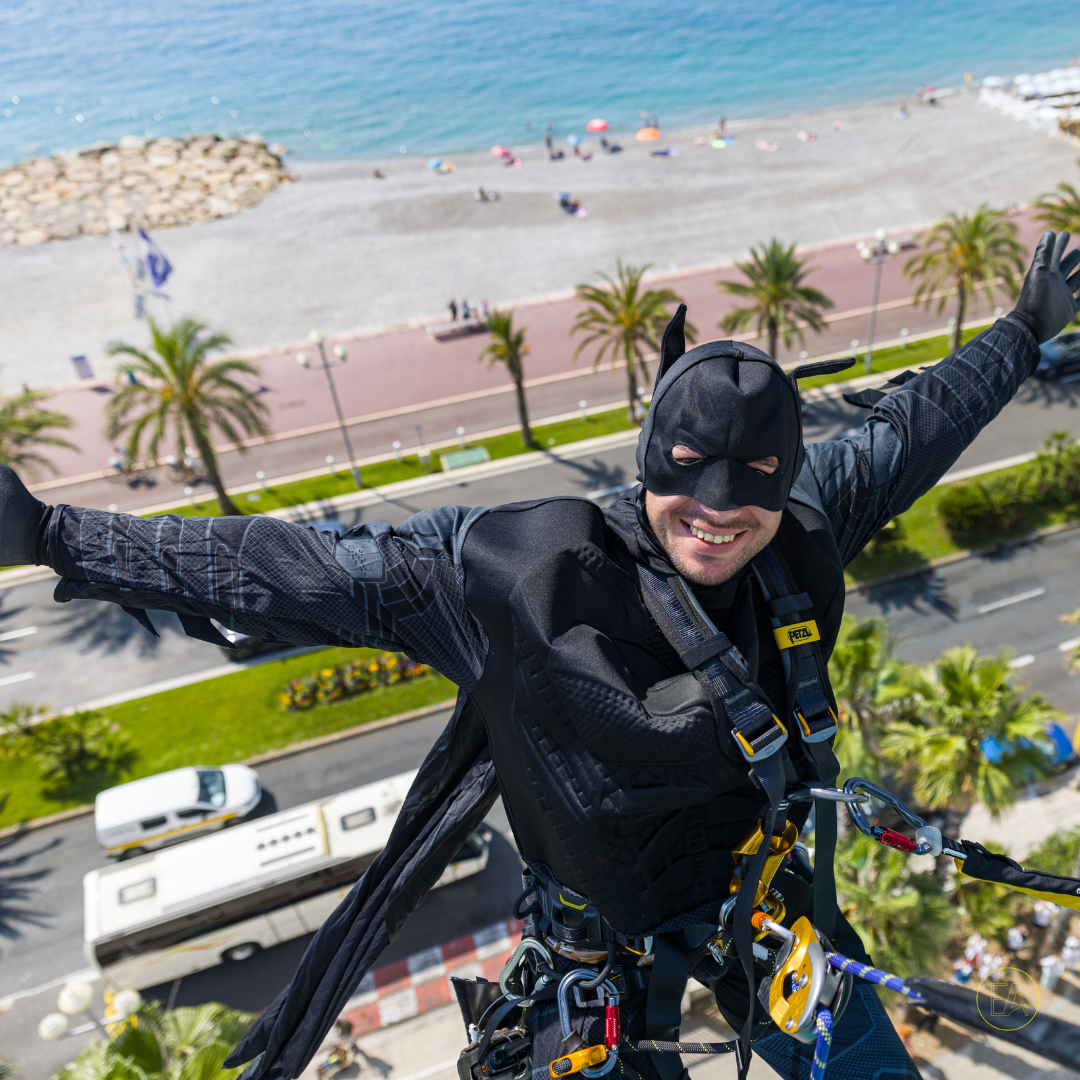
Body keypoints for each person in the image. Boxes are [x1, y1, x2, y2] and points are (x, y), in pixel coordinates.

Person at [1, 233, 1077, 1080]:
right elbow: (288, 567)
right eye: (689, 471)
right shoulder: (514, 574)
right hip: (589, 944)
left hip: (761, 906)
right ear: (651, 456)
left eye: (753, 478)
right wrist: (58, 537)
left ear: (783, 475)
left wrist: (1022, 332)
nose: (716, 513)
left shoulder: (800, 532)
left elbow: (918, 426)